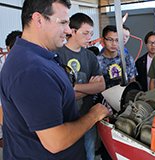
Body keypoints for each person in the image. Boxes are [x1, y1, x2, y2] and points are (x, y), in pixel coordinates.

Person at [0, 0, 109, 159]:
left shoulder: (36, 57)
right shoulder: (32, 69)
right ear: (38, 20)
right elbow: (55, 141)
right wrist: (94, 114)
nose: (68, 30)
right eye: (63, 23)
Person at [55, 12, 105, 160]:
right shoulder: (58, 54)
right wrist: (89, 88)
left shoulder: (90, 56)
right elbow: (61, 94)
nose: (89, 37)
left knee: (89, 154)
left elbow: (101, 85)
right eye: (85, 33)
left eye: (91, 33)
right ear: (73, 31)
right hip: (64, 121)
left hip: (87, 117)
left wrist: (74, 87)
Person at [97, 25, 137, 89]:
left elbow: (132, 80)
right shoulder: (96, 61)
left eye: (117, 40)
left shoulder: (127, 58)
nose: (114, 43)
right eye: (110, 40)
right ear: (103, 40)